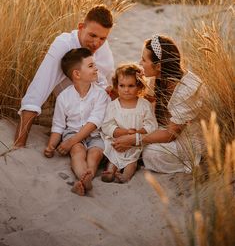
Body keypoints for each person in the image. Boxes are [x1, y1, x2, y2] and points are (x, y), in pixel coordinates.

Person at [14, 5, 114, 148]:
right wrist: (18, 145)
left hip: (101, 113)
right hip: (74, 117)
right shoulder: (64, 45)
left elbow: (109, 82)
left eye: (103, 38)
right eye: (92, 35)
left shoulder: (102, 45)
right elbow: (37, 91)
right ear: (81, 27)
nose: (97, 43)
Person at [112, 35, 205, 174]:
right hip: (163, 127)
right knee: (129, 125)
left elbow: (170, 134)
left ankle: (131, 160)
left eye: (144, 60)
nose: (140, 63)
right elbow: (145, 102)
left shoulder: (187, 90)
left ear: (159, 65)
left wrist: (134, 139)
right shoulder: (158, 79)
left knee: (151, 152)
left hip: (185, 140)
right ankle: (120, 161)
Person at [44, 48, 110, 196]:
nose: (96, 68)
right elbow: (59, 125)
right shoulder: (64, 97)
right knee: (77, 151)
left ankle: (87, 177)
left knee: (95, 154)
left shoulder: (100, 94)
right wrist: (51, 145)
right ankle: (83, 177)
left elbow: (95, 122)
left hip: (95, 134)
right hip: (72, 132)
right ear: (77, 74)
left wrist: (69, 142)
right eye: (91, 66)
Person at [101, 64, 157, 183]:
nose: (126, 90)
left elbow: (151, 125)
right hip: (117, 141)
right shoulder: (113, 106)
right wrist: (125, 132)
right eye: (122, 86)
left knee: (132, 161)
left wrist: (137, 133)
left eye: (131, 86)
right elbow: (107, 126)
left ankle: (125, 176)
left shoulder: (144, 105)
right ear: (116, 86)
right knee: (113, 156)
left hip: (135, 144)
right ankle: (110, 171)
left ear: (139, 86)